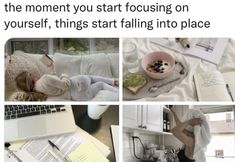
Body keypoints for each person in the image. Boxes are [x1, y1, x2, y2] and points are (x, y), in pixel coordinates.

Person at [15, 71, 118, 101]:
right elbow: (65, 85)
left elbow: (57, 90)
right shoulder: (45, 78)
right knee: (98, 82)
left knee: (95, 82)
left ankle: (113, 82)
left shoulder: (38, 94)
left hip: (80, 97)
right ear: (31, 76)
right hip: (77, 87)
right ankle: (116, 87)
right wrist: (64, 75)